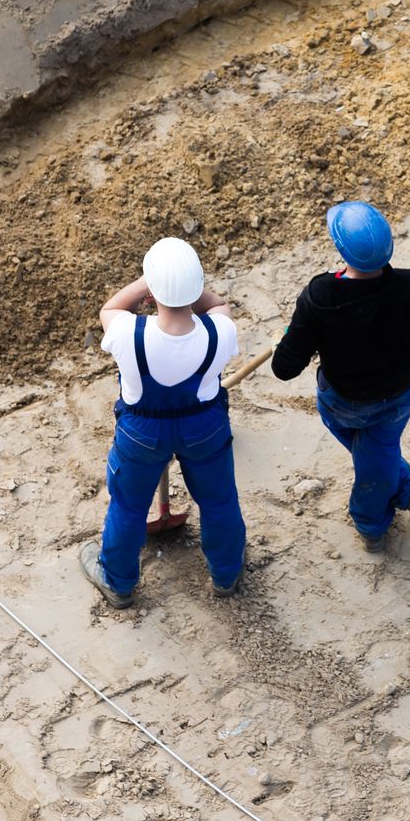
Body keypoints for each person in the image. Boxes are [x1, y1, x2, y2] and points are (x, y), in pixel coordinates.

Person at [271, 201, 410, 551]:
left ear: (340, 249)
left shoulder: (320, 296)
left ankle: (371, 525)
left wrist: (288, 341)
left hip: (345, 405)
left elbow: (284, 368)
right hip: (400, 396)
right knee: (378, 446)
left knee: (373, 458)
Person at [78, 237, 244, 608]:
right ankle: (226, 575)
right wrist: (190, 288)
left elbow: (112, 307)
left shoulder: (126, 332)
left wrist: (149, 284)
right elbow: (217, 304)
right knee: (219, 501)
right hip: (205, 428)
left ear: (151, 292)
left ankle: (118, 582)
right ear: (198, 286)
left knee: (128, 506)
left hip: (142, 435)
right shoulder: (220, 331)